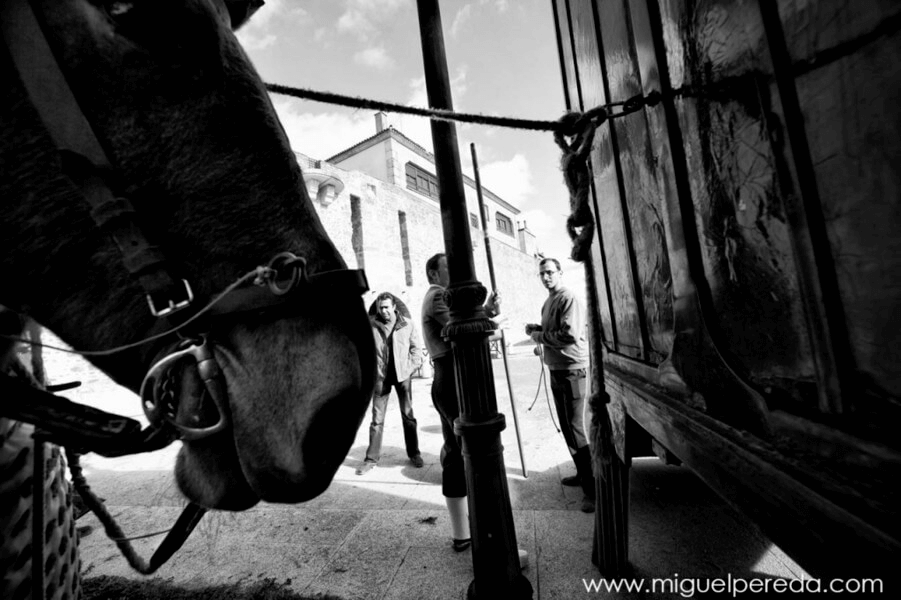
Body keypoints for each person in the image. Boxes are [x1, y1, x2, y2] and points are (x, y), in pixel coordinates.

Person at [421, 253, 499, 552]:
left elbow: (467, 317)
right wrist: (491, 320)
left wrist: (487, 309)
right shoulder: (439, 296)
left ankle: (463, 532)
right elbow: (462, 324)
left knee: (455, 451)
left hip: (449, 376)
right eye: (447, 268)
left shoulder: (439, 295)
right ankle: (482, 534)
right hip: (452, 378)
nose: (453, 274)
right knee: (466, 452)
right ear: (433, 274)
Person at [525, 257, 595, 513]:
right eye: (542, 273)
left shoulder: (568, 298)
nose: (546, 277)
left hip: (574, 372)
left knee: (576, 428)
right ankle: (581, 472)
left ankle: (593, 490)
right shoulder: (549, 301)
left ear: (560, 273)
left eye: (550, 272)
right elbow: (553, 329)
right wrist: (537, 328)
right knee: (566, 426)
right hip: (557, 371)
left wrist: (538, 336)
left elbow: (569, 335)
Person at [356, 292, 424, 475]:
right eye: (381, 307)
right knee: (377, 420)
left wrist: (409, 368)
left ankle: (414, 453)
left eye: (387, 307)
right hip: (381, 379)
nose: (384, 310)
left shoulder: (407, 324)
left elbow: (416, 350)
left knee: (408, 416)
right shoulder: (370, 325)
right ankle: (371, 459)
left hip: (403, 377)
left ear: (394, 307)